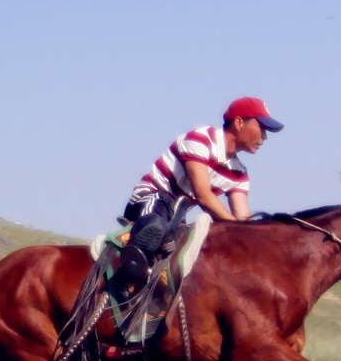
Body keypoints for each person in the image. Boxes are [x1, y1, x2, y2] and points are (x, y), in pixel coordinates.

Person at [108, 97, 283, 339]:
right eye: (261, 127)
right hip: (152, 199)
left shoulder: (240, 174)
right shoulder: (200, 139)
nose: (264, 137)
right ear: (239, 122)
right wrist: (233, 225)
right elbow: (203, 195)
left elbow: (243, 219)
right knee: (157, 226)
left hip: (178, 216)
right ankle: (124, 279)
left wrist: (260, 244)